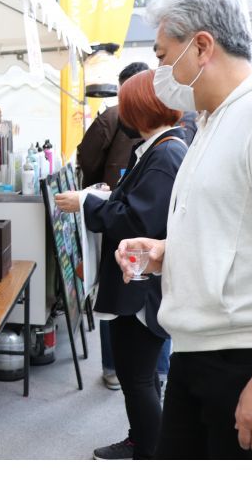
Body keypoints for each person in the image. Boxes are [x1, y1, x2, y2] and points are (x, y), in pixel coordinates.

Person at [115, 0, 252, 459]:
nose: (158, 72)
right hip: (196, 349)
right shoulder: (211, 120)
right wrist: (163, 255)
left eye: (162, 55)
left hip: (244, 357)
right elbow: (234, 232)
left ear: (201, 47)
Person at [56, 70, 187, 460]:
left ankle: (149, 452)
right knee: (138, 376)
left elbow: (137, 223)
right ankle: (143, 441)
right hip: (138, 280)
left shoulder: (165, 153)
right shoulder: (157, 148)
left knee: (137, 377)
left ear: (142, 111)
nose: (120, 115)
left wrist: (89, 203)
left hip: (141, 285)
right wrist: (107, 196)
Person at [77, 61, 148, 392]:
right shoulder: (167, 133)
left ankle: (114, 369)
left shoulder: (115, 115)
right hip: (144, 230)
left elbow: (86, 154)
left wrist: (90, 190)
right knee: (144, 292)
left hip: (118, 216)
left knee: (115, 289)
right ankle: (150, 369)